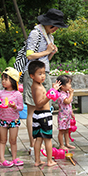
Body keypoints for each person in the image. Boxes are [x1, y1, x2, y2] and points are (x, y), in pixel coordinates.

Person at [23, 8, 68, 155]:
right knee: (33, 109)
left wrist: (51, 53)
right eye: (56, 27)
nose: (56, 30)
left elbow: (45, 59)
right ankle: (33, 145)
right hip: (33, 75)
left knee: (45, 107)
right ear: (52, 25)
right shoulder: (36, 33)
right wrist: (47, 51)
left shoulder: (48, 36)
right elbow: (29, 55)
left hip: (44, 73)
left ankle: (42, 140)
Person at [0, 67, 24, 167]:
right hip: (3, 120)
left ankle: (14, 158)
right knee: (2, 140)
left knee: (13, 141)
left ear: (13, 80)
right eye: (2, 79)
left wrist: (15, 106)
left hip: (14, 121)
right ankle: (2, 160)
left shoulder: (17, 94)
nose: (3, 81)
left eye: (6, 79)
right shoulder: (1, 93)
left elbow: (21, 108)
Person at [28, 60, 61, 167]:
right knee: (47, 138)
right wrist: (49, 95)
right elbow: (39, 103)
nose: (43, 76)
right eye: (40, 74)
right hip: (44, 115)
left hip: (38, 115)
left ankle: (37, 161)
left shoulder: (37, 85)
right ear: (32, 76)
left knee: (38, 138)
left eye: (43, 73)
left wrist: (53, 90)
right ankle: (49, 160)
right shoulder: (37, 87)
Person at [56, 75, 75, 151]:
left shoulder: (67, 93)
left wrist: (72, 113)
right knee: (61, 131)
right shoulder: (61, 94)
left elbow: (69, 105)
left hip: (68, 115)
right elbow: (67, 101)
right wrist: (72, 94)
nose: (70, 86)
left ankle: (67, 143)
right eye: (69, 84)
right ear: (62, 86)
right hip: (62, 116)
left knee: (67, 130)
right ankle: (61, 145)